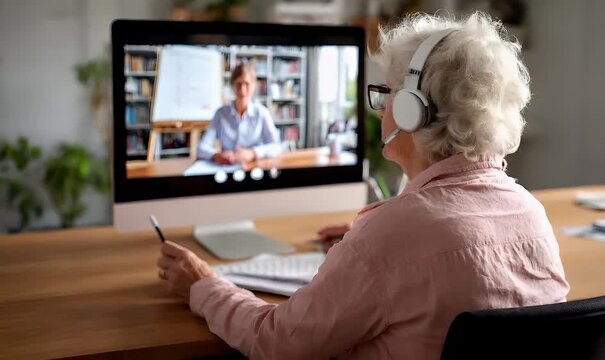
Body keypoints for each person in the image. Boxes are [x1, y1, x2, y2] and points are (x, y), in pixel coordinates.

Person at [157, 12, 570, 359]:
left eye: (386, 94)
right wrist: (366, 243)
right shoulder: (531, 213)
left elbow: (275, 341)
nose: (381, 109)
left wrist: (204, 286)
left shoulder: (392, 236)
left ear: (412, 111)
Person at [197, 62, 282, 165]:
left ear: (254, 85)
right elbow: (202, 147)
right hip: (227, 166)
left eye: (247, 84)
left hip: (254, 166)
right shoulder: (220, 114)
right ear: (232, 86)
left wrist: (253, 153)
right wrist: (216, 155)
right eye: (238, 84)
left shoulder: (262, 113)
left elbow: (277, 146)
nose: (242, 90)